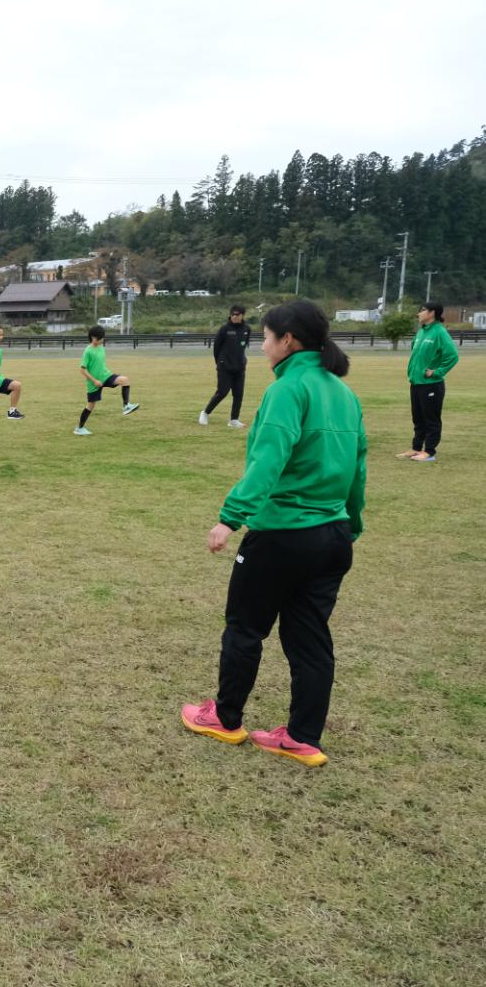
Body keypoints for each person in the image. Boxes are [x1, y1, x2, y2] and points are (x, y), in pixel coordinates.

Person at [181, 301, 367, 768]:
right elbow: (357, 467)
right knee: (310, 639)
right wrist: (351, 523)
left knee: (245, 627)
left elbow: (268, 462)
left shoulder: (288, 390)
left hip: (283, 534)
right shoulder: (343, 393)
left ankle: (224, 719)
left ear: (288, 341)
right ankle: (303, 737)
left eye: (266, 337)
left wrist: (230, 517)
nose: (261, 345)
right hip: (332, 536)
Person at [398, 301, 458, 462]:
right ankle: (416, 448)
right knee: (418, 418)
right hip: (416, 383)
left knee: (431, 419)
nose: (419, 313)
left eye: (422, 310)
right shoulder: (421, 332)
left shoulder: (439, 332)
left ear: (432, 313)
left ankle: (429, 452)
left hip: (432, 384)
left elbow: (452, 356)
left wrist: (437, 372)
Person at [75, 325, 137, 435]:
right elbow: (82, 370)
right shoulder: (88, 351)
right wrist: (94, 381)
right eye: (100, 338)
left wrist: (107, 374)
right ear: (93, 337)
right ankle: (79, 428)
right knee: (90, 405)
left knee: (125, 380)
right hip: (94, 382)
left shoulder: (101, 347)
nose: (102, 340)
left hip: (106, 376)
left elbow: (101, 365)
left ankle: (126, 406)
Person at [199, 305, 250, 428]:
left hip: (240, 367)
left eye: (237, 314)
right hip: (225, 367)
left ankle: (233, 420)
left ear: (242, 315)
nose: (234, 316)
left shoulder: (247, 329)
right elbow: (216, 347)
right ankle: (205, 413)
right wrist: (220, 362)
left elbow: (243, 346)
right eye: (232, 314)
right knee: (222, 392)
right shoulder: (224, 329)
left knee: (238, 394)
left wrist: (242, 361)